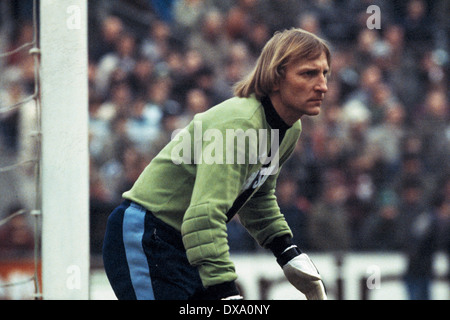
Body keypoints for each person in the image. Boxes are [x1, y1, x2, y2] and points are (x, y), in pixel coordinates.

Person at [102, 28, 330, 300]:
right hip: (148, 235)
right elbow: (204, 215)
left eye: (324, 73)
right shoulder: (241, 124)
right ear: (275, 77)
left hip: (181, 243)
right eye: (308, 73)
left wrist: (286, 251)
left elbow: (256, 197)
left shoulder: (290, 129)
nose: (322, 85)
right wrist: (226, 292)